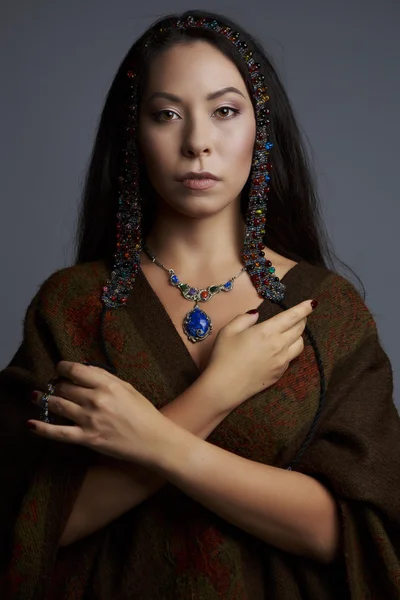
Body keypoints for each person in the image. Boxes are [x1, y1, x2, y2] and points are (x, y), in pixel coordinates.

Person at [1, 9, 399, 600]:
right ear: (133, 133)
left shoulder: (327, 313)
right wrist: (215, 394)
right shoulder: (73, 305)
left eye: (224, 111)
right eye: (166, 115)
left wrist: (154, 440)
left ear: (261, 129)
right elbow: (28, 526)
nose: (197, 143)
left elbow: (346, 532)